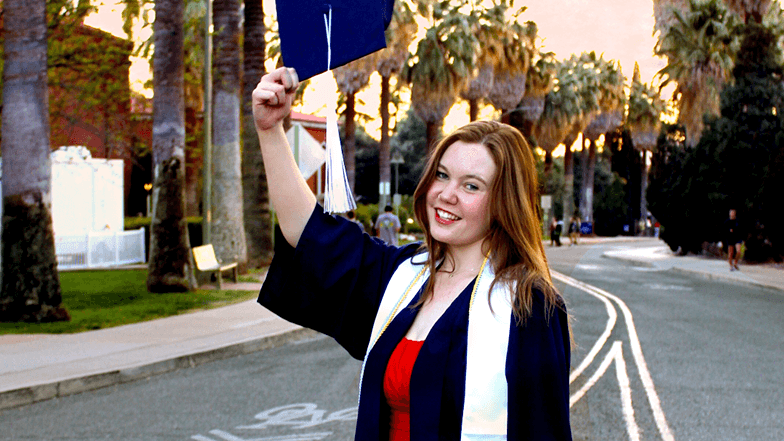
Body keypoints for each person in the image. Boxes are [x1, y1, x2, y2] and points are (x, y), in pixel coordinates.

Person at [251, 67, 572, 441]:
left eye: (471, 185)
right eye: (441, 175)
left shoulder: (528, 307)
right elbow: (308, 233)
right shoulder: (403, 276)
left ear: (503, 203)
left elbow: (543, 431)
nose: (446, 194)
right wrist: (270, 131)